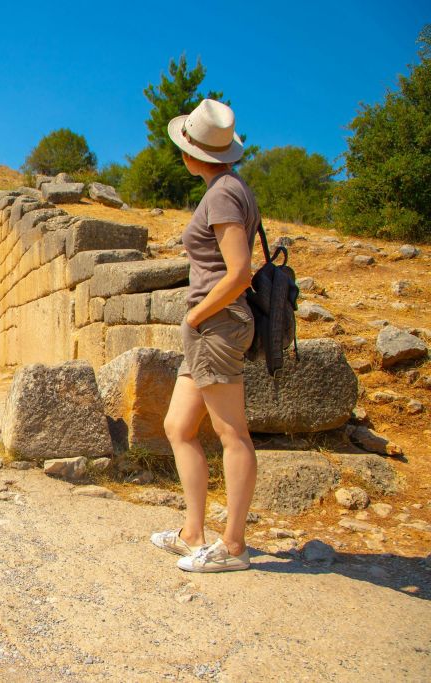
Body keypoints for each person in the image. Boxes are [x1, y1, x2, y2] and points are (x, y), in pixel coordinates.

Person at [150, 99, 260, 573]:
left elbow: (239, 272)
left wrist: (196, 317)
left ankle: (233, 546)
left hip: (216, 323)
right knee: (178, 426)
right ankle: (192, 533)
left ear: (192, 153)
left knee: (232, 433)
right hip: (209, 325)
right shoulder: (229, 187)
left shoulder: (221, 195)